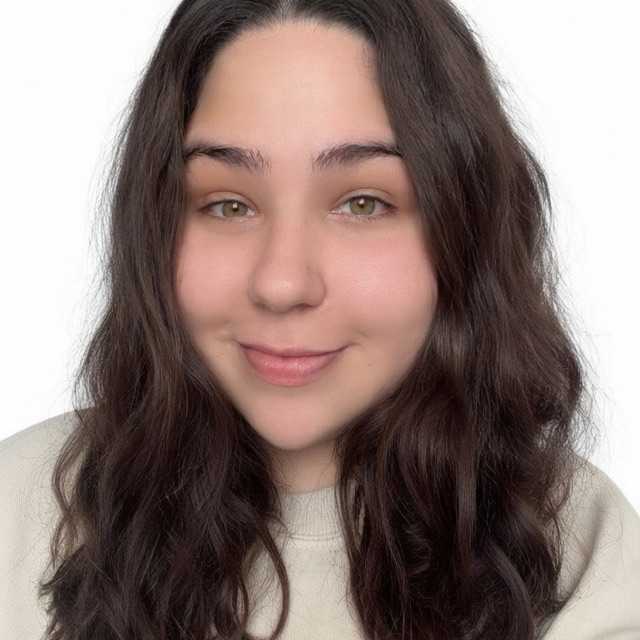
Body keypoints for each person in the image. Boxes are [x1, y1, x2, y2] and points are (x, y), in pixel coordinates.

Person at [1, 1, 639, 638]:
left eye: (362, 203)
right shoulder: (18, 508)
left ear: (464, 226)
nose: (282, 284)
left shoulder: (585, 550)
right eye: (228, 205)